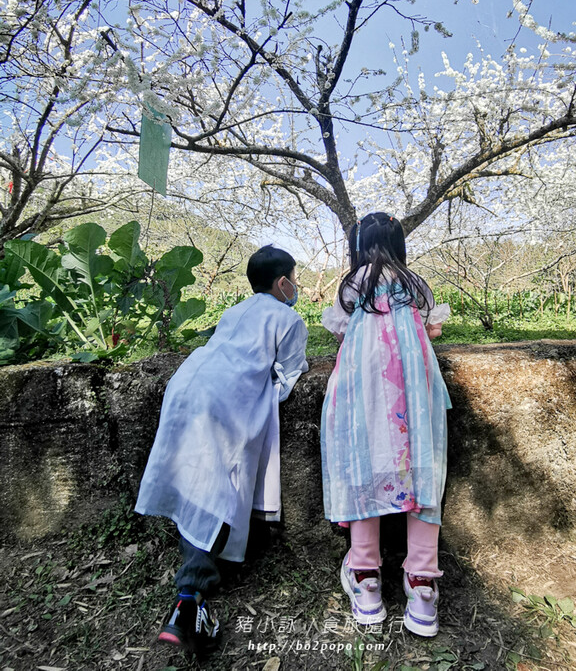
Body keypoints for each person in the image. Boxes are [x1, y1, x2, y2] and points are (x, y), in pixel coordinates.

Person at [135, 245, 308, 660]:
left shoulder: (235, 311)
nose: (297, 286)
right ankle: (190, 598)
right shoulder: (289, 317)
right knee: (216, 487)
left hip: (187, 385)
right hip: (224, 400)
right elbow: (289, 376)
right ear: (283, 283)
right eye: (295, 278)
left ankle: (189, 590)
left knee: (192, 477)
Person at [320, 212, 451, 638]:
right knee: (423, 470)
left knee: (363, 465)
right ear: (400, 244)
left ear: (359, 246)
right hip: (414, 391)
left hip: (363, 392)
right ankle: (422, 586)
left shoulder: (352, 284)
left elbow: (340, 334)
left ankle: (366, 579)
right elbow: (433, 329)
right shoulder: (415, 284)